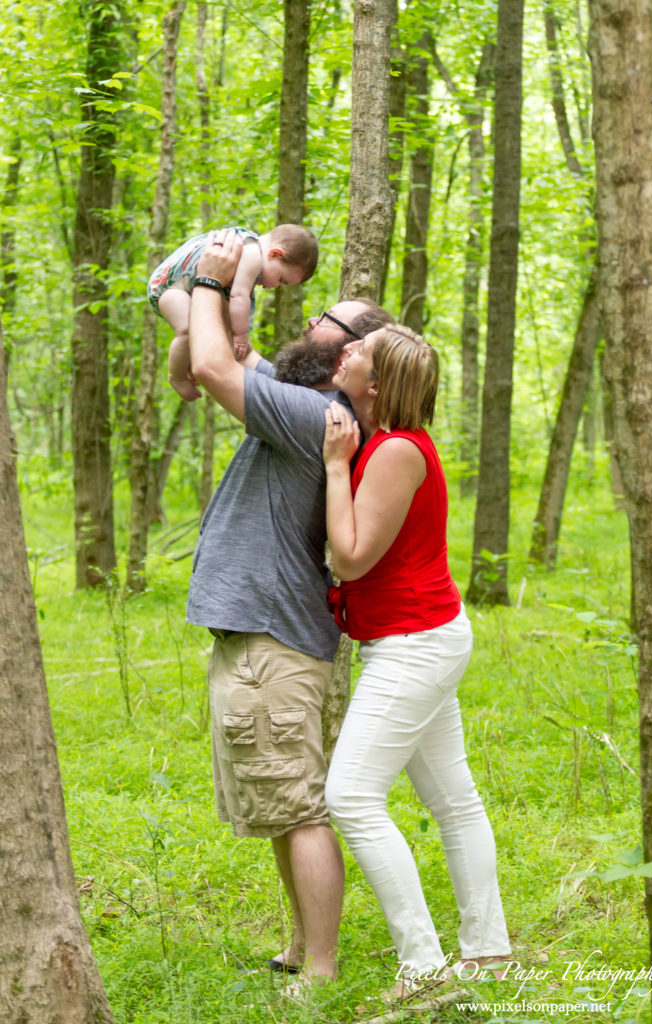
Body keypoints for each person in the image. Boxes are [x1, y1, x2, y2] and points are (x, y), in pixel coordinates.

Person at [185, 229, 394, 986]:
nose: (307, 325)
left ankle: (324, 971)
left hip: (275, 638)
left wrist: (213, 282)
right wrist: (201, 297)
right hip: (268, 631)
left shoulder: (316, 419)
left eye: (325, 324)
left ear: (352, 355)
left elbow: (214, 365)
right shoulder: (311, 405)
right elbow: (222, 359)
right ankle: (302, 947)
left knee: (298, 806)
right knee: (283, 801)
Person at [321, 324, 510, 999]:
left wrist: (337, 466)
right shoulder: (387, 441)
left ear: (376, 387)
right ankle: (486, 953)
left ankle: (424, 965)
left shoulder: (395, 451)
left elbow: (350, 557)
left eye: (358, 355)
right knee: (453, 801)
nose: (344, 354)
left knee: (349, 796)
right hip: (423, 635)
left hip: (414, 643)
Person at [148, 224, 318, 400]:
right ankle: (177, 377)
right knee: (187, 330)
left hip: (183, 287)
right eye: (281, 279)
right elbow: (239, 296)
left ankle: (189, 359)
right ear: (275, 254)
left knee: (205, 331)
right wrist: (241, 335)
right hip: (169, 287)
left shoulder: (248, 244)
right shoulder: (252, 255)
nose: (275, 286)